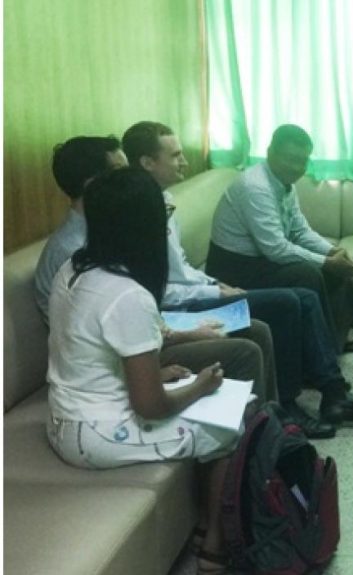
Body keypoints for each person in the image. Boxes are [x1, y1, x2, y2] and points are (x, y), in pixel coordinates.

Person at [121, 121, 353, 438]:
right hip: (200, 295)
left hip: (208, 286)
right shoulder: (141, 215)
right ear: (147, 162)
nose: (184, 161)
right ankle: (288, 403)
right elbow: (160, 290)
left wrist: (213, 284)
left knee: (306, 292)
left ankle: (334, 393)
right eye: (175, 155)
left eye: (303, 161)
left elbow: (180, 268)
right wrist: (216, 291)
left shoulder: (164, 201)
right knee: (292, 297)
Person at [46, 168, 244, 575]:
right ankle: (213, 545)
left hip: (63, 419)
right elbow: (150, 407)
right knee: (231, 426)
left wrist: (157, 375)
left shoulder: (74, 270)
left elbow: (92, 354)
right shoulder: (128, 295)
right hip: (97, 435)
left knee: (206, 403)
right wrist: (201, 386)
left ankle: (203, 524)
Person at [34, 136, 269, 401]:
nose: (133, 177)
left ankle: (270, 418)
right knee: (245, 351)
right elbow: (95, 341)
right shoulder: (75, 254)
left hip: (143, 337)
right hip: (116, 361)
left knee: (254, 328)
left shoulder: (110, 230)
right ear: (95, 185)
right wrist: (181, 358)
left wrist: (187, 332)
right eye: (121, 172)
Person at [206, 124, 353, 354]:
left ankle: (334, 340)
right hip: (234, 268)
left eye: (302, 161)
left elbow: (299, 231)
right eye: (290, 159)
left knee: (334, 269)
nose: (296, 168)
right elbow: (276, 249)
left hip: (261, 260)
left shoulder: (284, 184)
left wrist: (332, 252)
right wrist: (326, 262)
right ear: (270, 152)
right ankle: (320, 350)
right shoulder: (256, 187)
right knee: (308, 273)